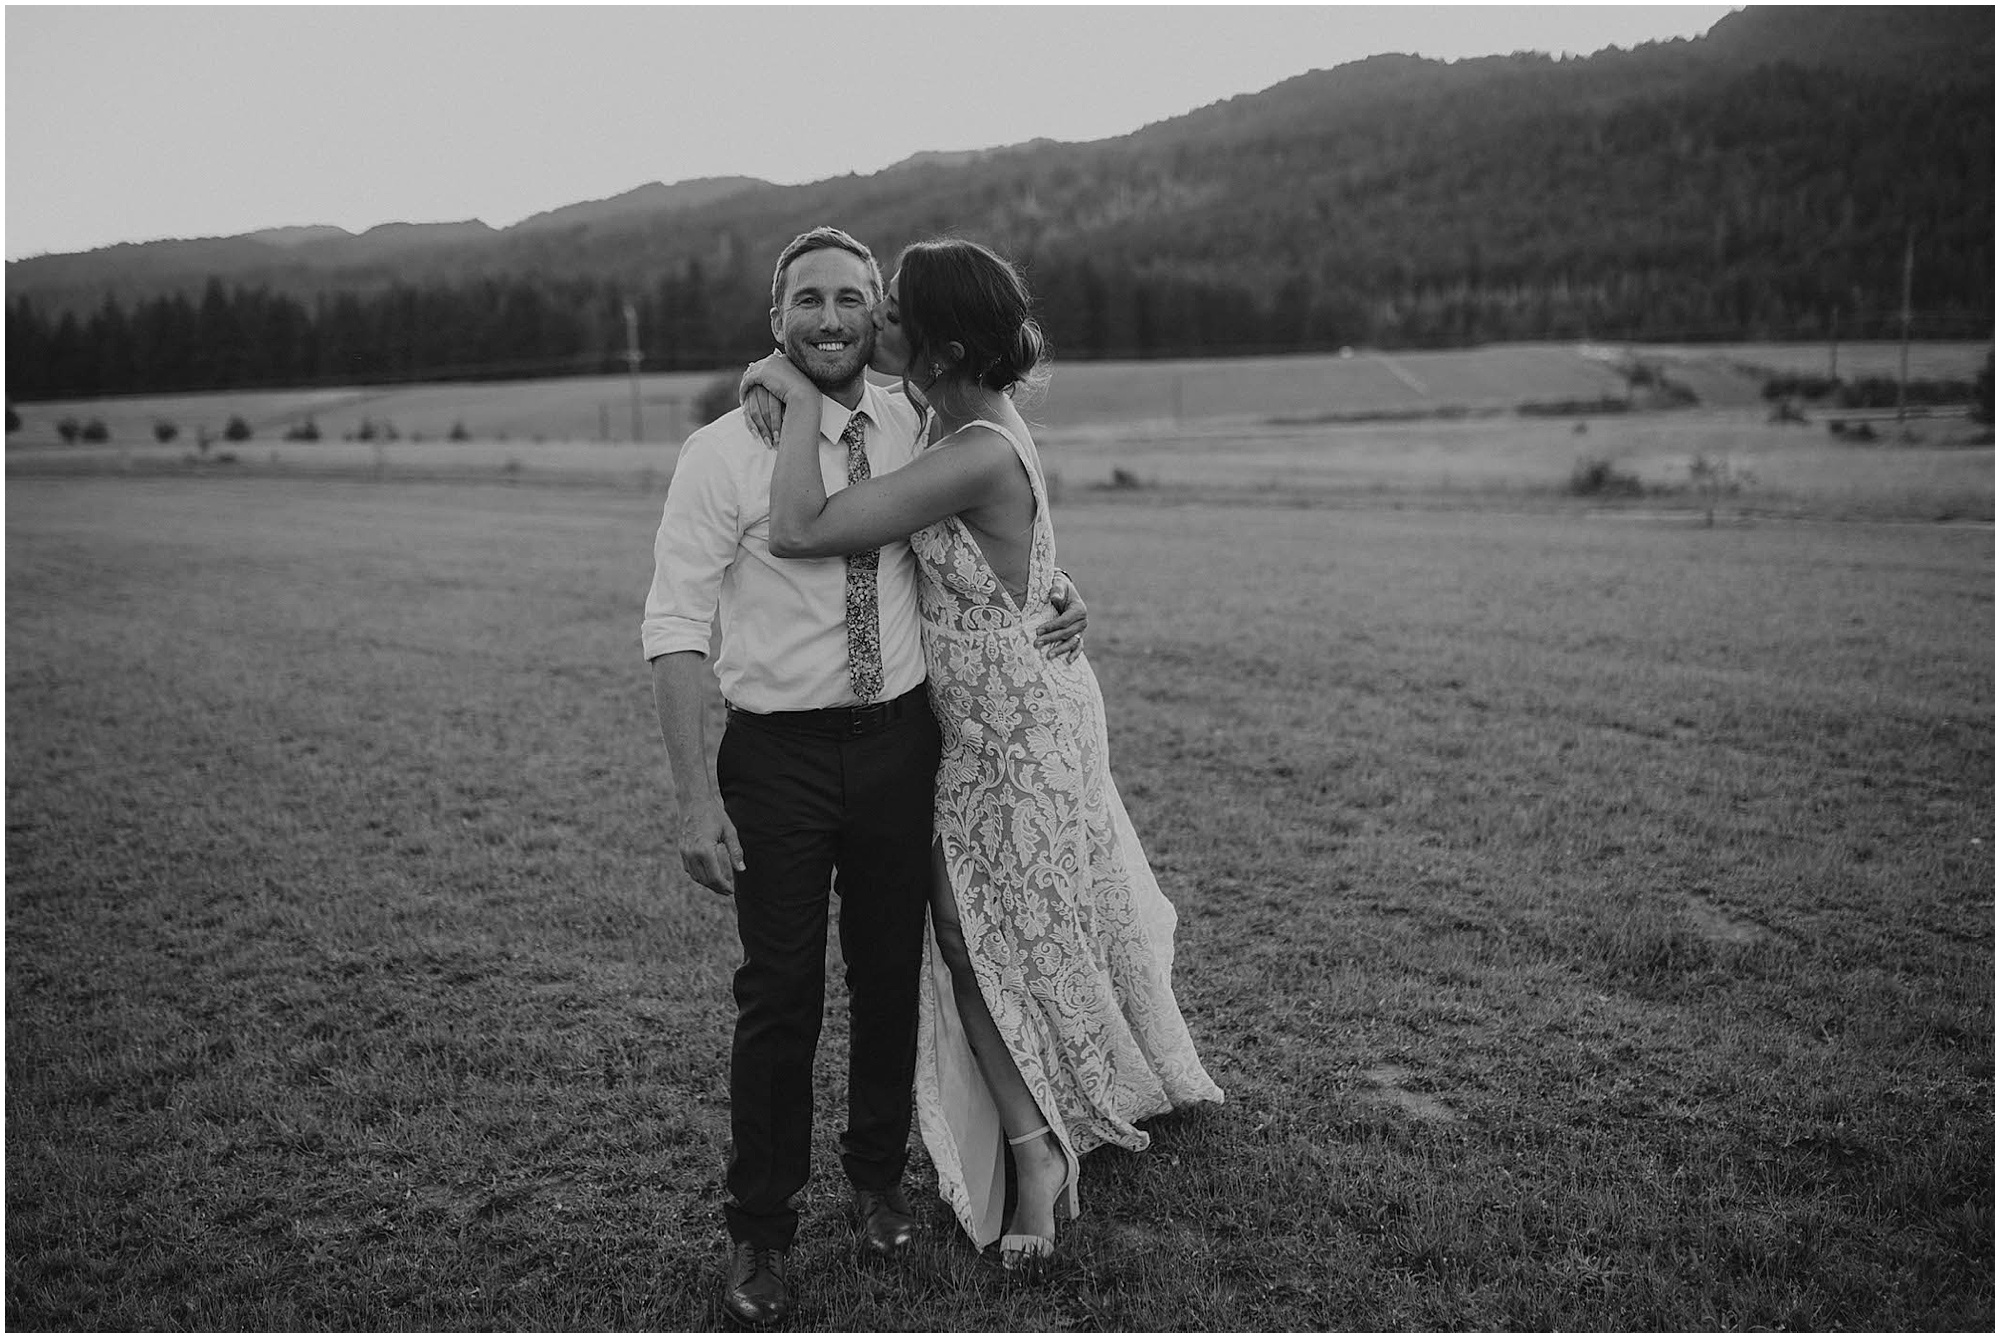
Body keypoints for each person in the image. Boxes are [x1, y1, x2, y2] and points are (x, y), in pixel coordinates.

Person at [738, 236, 1223, 1277]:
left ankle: (1038, 1149)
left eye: (892, 315)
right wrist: (773, 368)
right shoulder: (946, 413)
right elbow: (1021, 557)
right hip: (978, 728)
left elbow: (800, 527)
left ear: (945, 349)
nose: (872, 325)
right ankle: (1040, 1127)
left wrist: (792, 386)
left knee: (992, 934)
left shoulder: (974, 448)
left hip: (1019, 733)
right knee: (981, 934)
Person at [640, 226, 1088, 1327]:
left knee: (892, 977)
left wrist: (1060, 592)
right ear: (776, 318)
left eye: (853, 298)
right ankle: (759, 1229)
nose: (832, 319)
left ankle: (880, 1183)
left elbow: (1002, 508)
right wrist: (694, 799)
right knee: (780, 994)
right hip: (776, 758)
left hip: (902, 743)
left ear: (882, 311)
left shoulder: (912, 420)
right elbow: (674, 629)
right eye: (809, 301)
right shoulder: (719, 454)